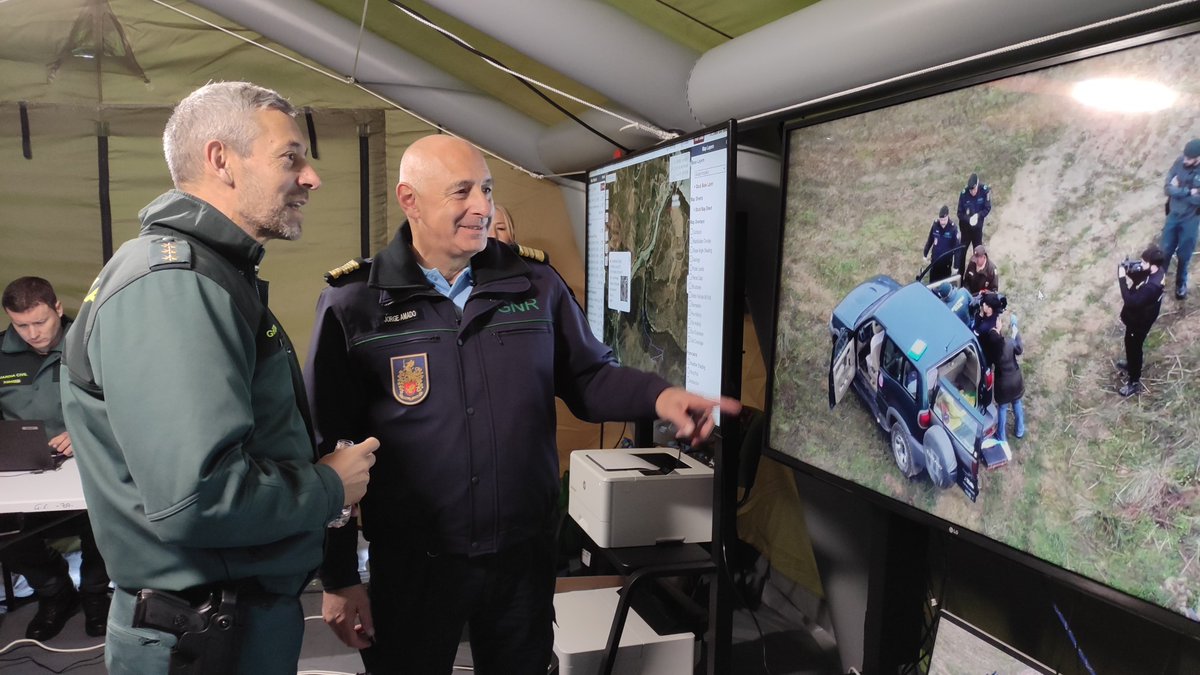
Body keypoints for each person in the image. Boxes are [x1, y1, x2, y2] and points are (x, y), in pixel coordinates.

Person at [306, 134, 741, 674]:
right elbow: (330, 446)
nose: (482, 207)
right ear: (409, 200)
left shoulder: (534, 283)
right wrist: (339, 576)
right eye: (462, 191)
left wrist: (660, 395)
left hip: (521, 563)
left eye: (487, 190)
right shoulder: (355, 303)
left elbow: (588, 378)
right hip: (414, 565)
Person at [59, 82, 378, 675]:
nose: (311, 178)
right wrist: (329, 486)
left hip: (226, 621)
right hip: (204, 634)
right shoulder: (174, 285)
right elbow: (196, 498)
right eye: (290, 157)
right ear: (220, 159)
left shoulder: (208, 275)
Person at [1, 277, 110, 640]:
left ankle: (95, 594)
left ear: (58, 309)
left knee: (107, 518)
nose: (32, 334)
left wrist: (84, 432)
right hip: (22, 471)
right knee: (6, 535)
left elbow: (124, 404)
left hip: (88, 461)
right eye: (21, 325)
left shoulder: (92, 344)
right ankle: (54, 591)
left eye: (40, 321)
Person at [1117, 244, 1166, 396]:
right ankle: (1131, 365)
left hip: (1139, 322)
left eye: (1144, 262)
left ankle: (1134, 381)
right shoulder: (1157, 272)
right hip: (1141, 317)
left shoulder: (1151, 286)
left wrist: (1122, 278)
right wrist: (1129, 270)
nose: (1141, 264)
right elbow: (1140, 278)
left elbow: (1131, 301)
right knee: (1130, 343)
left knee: (1134, 348)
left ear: (1152, 265)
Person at [1160, 138, 1200, 299]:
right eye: (1185, 157)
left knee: (1184, 254)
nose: (1185, 160)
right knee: (1164, 250)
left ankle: (1180, 284)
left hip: (1190, 220)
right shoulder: (1179, 162)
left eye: (1189, 159)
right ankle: (1158, 282)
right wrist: (1189, 191)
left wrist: (1178, 189)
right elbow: (1167, 188)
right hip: (1173, 215)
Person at [978, 311, 1025, 441]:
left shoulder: (990, 351)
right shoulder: (1009, 343)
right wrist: (1015, 330)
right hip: (1015, 379)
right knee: (1017, 402)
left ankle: (1001, 436)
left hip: (1003, 384)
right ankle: (1020, 430)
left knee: (1002, 408)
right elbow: (1019, 349)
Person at [956, 172, 992, 271]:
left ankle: (977, 274)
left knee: (978, 254)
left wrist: (978, 215)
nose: (972, 192)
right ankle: (960, 275)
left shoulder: (984, 191)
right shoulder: (964, 194)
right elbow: (959, 213)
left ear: (977, 184)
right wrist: (968, 219)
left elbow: (987, 208)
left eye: (974, 189)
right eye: (971, 190)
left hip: (977, 229)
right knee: (961, 253)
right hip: (966, 229)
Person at [922, 204, 960, 282]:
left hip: (946, 263)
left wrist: (956, 266)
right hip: (935, 260)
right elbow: (930, 239)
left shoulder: (953, 228)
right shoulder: (935, 225)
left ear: (947, 217)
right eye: (941, 220)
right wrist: (925, 253)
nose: (942, 222)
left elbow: (957, 249)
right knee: (932, 282)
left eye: (944, 220)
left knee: (944, 283)